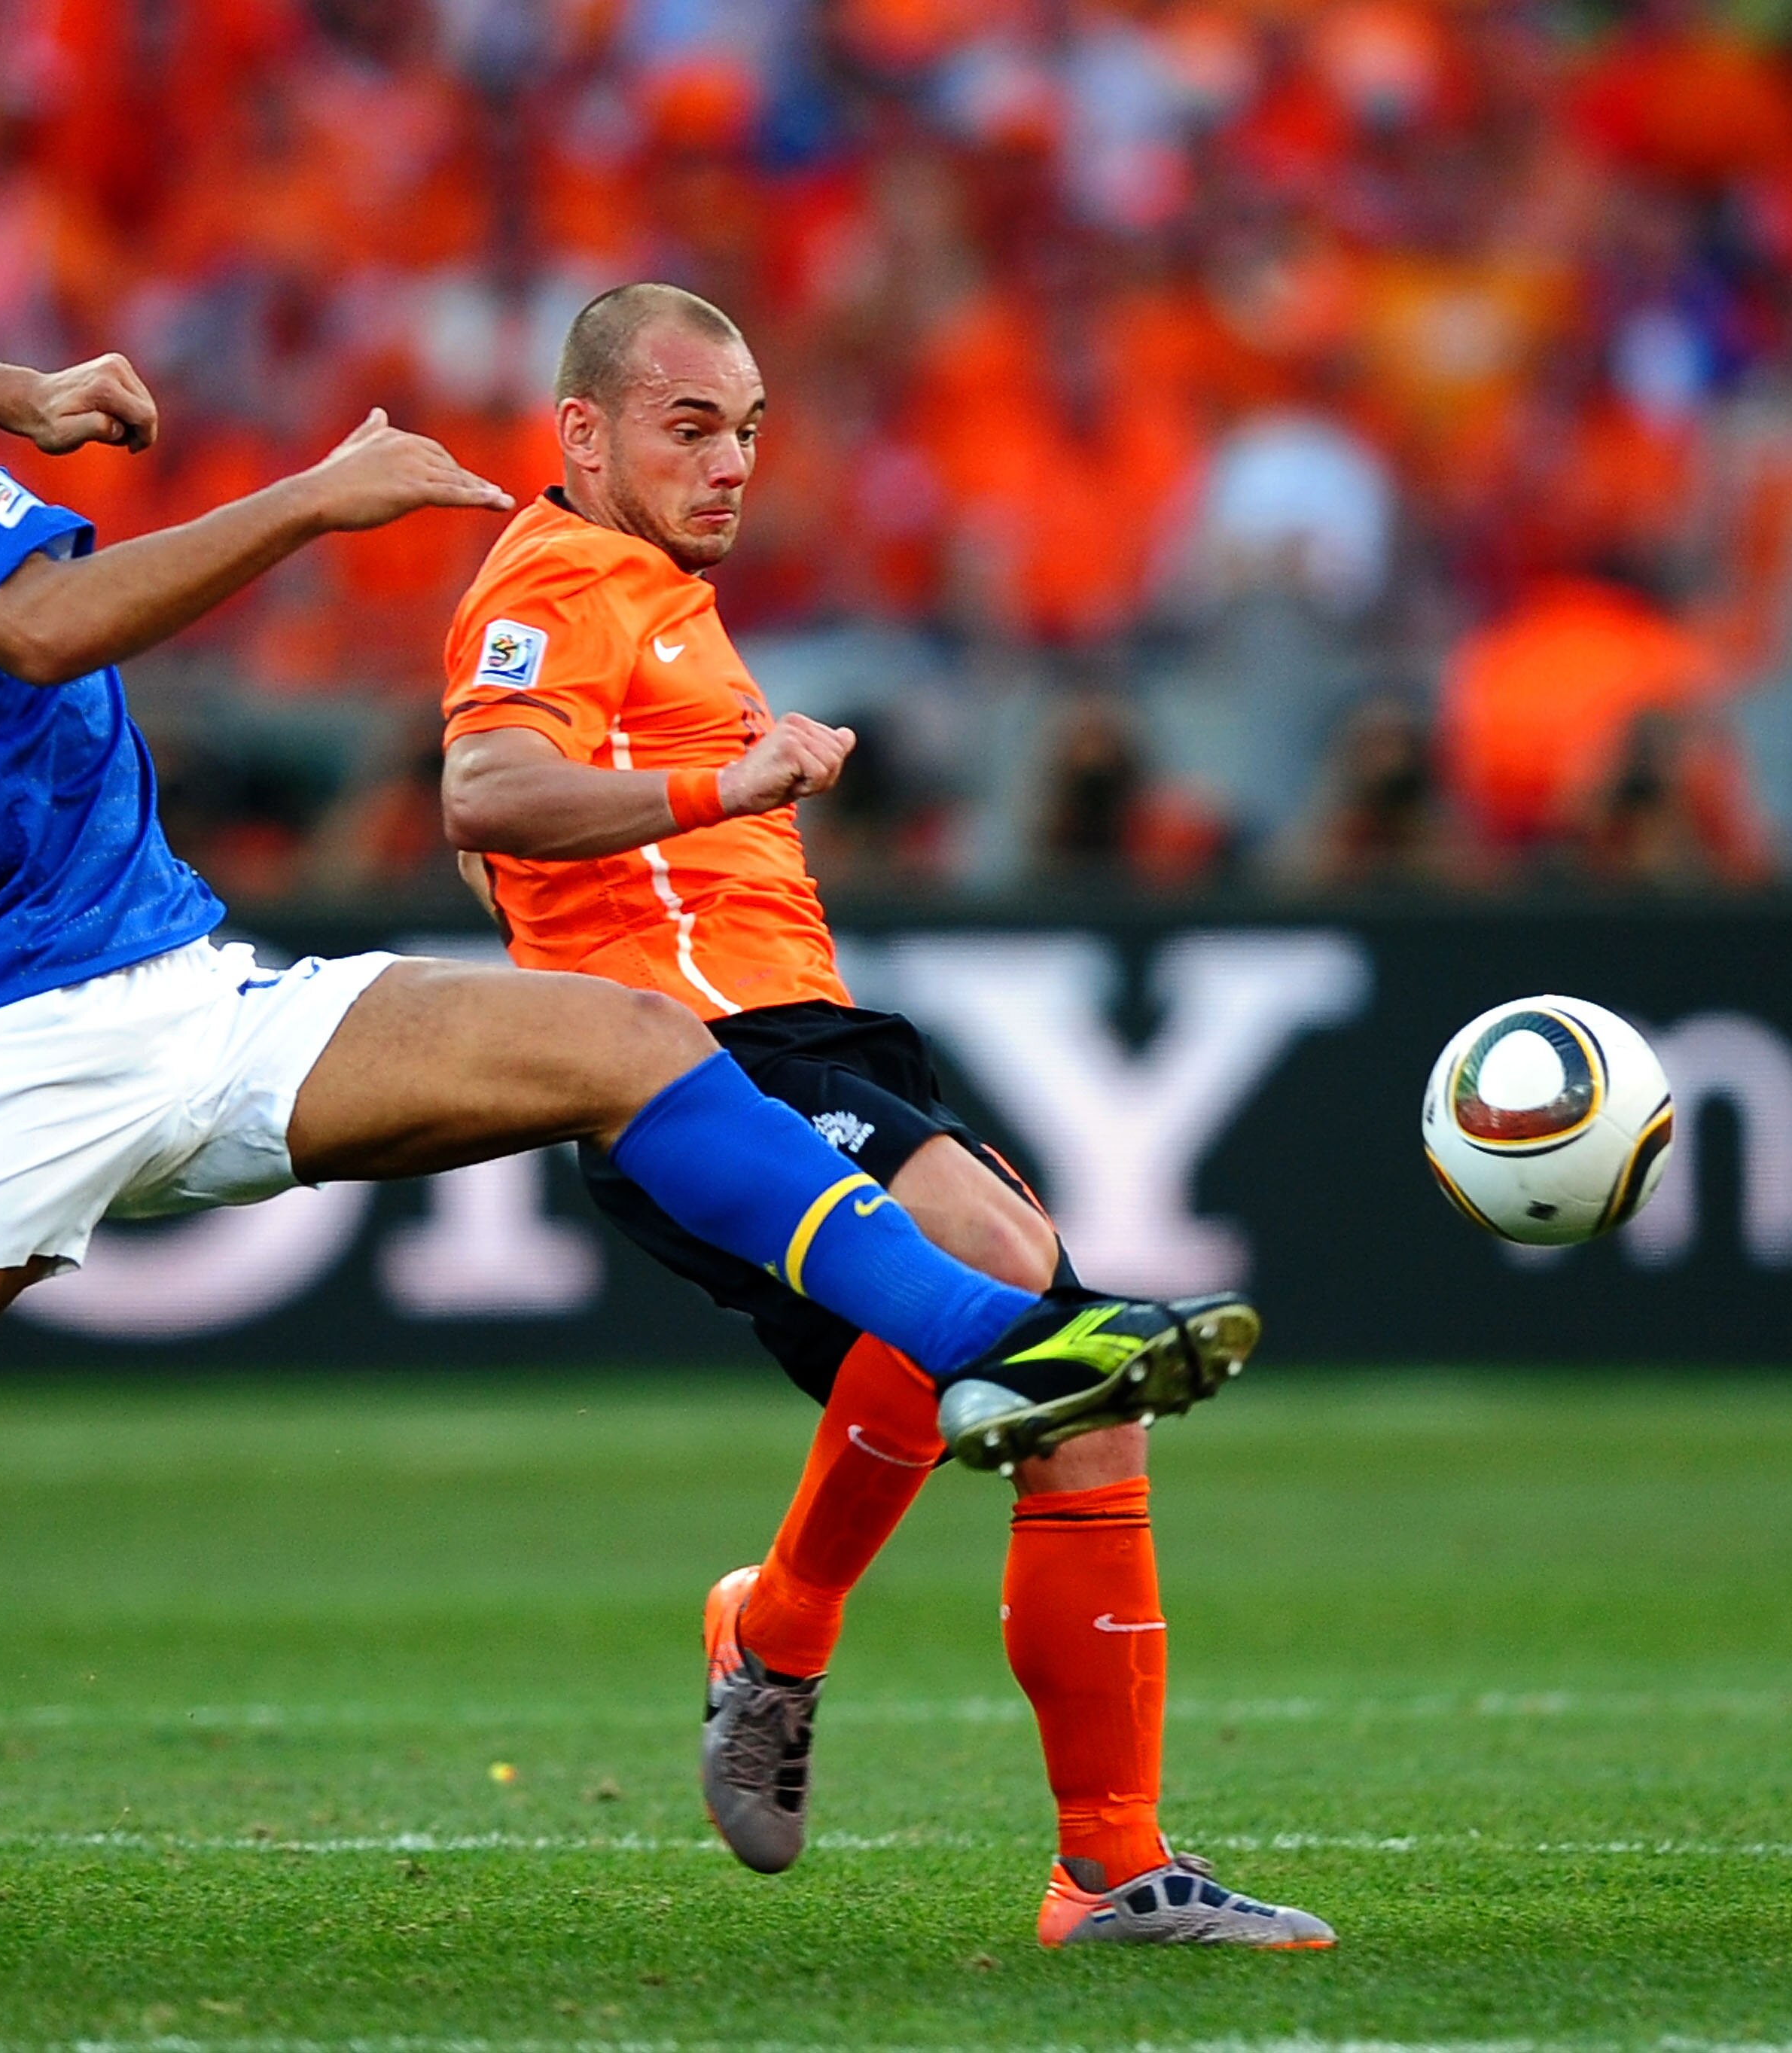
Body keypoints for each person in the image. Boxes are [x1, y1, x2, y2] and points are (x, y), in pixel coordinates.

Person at [0, 139, 1254, 1957]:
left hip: (186, 986)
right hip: (7, 1038)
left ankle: (997, 1339)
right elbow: (39, 628)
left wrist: (7, 390)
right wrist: (313, 499)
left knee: (625, 1040)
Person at [438, 282, 1329, 1949]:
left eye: (747, 430)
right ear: (581, 433)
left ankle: (1061, 1832)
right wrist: (727, 783)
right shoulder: (561, 571)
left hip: (808, 1025)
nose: (730, 463)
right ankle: (839, 1673)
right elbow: (483, 788)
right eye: (689, 428)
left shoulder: (659, 593)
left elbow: (509, 823)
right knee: (1014, 1283)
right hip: (692, 1063)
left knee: (1074, 1395)